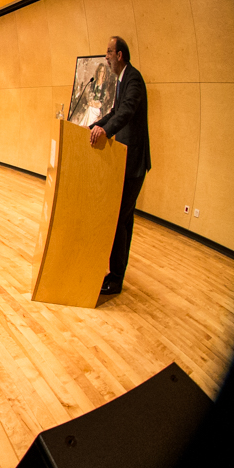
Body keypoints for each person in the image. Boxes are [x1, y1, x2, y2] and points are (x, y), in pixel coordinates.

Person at [90, 36, 151, 296]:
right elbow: (115, 111)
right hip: (126, 161)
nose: (106, 56)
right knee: (124, 219)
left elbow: (126, 112)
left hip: (134, 162)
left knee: (119, 219)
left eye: (109, 52)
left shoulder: (133, 79)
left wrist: (105, 131)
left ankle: (115, 278)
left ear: (120, 55)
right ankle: (117, 274)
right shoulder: (122, 80)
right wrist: (96, 126)